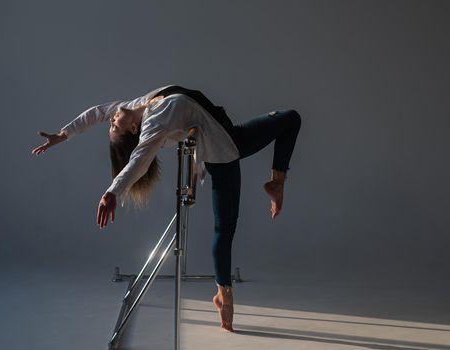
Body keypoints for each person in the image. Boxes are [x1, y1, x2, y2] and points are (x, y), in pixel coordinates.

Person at [31, 84, 302, 332]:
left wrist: (62, 134)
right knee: (225, 226)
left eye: (111, 123)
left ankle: (276, 184)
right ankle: (224, 295)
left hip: (226, 132)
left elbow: (96, 113)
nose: (112, 118)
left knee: (290, 119)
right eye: (115, 125)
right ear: (133, 131)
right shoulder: (153, 124)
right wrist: (113, 191)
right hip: (226, 150)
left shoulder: (140, 104)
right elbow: (139, 159)